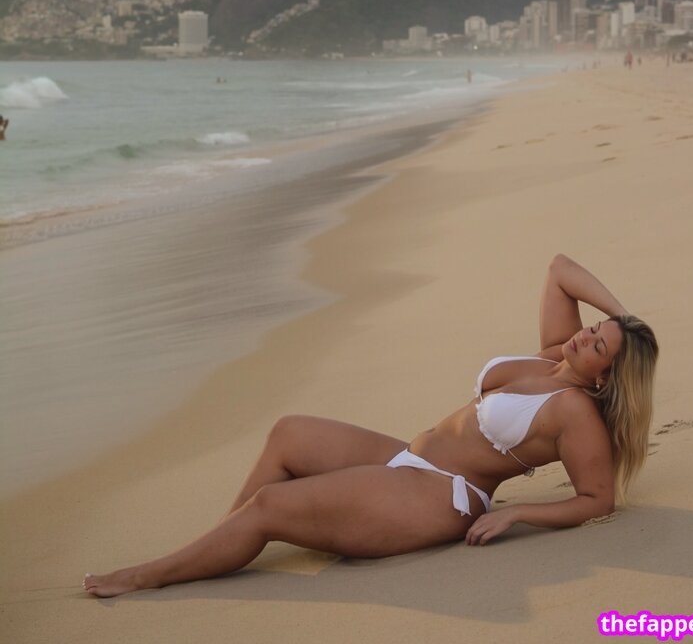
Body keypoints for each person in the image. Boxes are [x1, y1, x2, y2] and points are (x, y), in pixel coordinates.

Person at [83, 254, 658, 597]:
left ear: (606, 377)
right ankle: (215, 546)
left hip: (439, 495)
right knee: (288, 432)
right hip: (409, 458)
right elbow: (560, 269)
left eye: (599, 345)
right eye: (594, 327)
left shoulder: (576, 412)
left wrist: (518, 513)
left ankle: (152, 575)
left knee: (271, 504)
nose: (586, 335)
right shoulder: (554, 357)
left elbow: (597, 498)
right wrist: (625, 319)